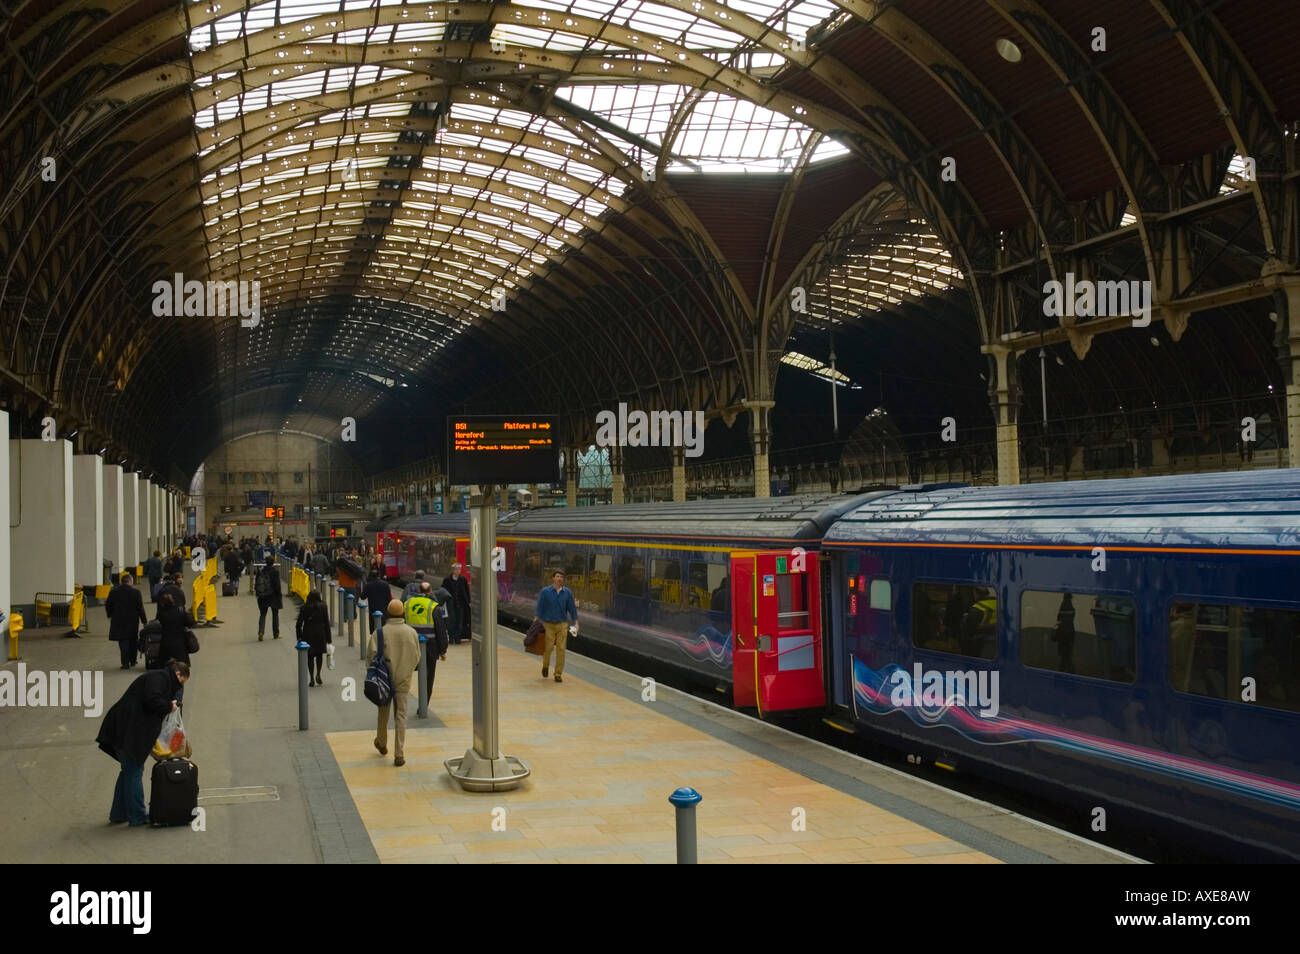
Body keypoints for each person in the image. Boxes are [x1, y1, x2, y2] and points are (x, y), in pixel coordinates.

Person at [97, 660, 190, 827]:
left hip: (124, 729)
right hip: (128, 731)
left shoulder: (159, 677)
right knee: (134, 770)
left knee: (128, 771)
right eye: (182, 682)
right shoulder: (160, 678)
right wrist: (169, 706)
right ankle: (137, 815)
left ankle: (119, 813)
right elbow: (152, 699)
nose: (179, 687)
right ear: (178, 674)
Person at [370, 599, 420, 767]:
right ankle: (399, 754)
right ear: (403, 614)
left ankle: (382, 742)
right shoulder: (411, 632)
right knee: (401, 716)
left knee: (383, 713)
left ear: (388, 614)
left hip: (384, 679)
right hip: (403, 679)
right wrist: (406, 670)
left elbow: (371, 656)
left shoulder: (380, 633)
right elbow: (417, 657)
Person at [534, 570, 578, 683]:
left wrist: (575, 622)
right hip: (548, 624)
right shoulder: (545, 592)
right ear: (553, 578)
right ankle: (545, 665)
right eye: (558, 576)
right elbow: (539, 606)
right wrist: (536, 620)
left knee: (561, 649)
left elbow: (572, 608)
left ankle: (558, 674)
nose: (560, 579)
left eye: (562, 577)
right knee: (548, 649)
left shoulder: (567, 593)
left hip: (562, 624)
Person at [405, 582, 447, 698]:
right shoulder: (433, 606)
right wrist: (443, 650)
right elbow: (440, 630)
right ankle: (423, 704)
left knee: (406, 673)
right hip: (430, 648)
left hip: (410, 645)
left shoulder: (407, 604)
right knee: (428, 677)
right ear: (430, 592)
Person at [155, 593, 197, 704]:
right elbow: (191, 623)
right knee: (180, 673)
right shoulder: (180, 611)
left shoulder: (161, 613)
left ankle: (167, 697)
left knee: (166, 672)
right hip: (180, 647)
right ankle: (177, 700)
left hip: (165, 646)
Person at [106, 572, 147, 669]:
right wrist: (144, 621)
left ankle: (125, 663)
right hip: (132, 620)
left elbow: (108, 605)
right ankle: (133, 661)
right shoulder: (136, 592)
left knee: (123, 641)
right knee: (133, 640)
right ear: (130, 581)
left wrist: (110, 614)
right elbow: (140, 608)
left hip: (118, 620)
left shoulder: (113, 592)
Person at [296, 591, 332, 686]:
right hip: (321, 633)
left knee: (310, 656)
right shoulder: (323, 607)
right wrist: (329, 638)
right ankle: (318, 674)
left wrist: (299, 637)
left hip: (308, 634)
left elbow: (298, 624)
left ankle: (311, 677)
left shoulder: (304, 608)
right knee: (319, 655)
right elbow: (326, 623)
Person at [441, 563, 471, 645]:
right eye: (456, 569)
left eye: (459, 569)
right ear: (453, 570)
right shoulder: (447, 580)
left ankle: (457, 638)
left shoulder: (463, 579)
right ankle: (451, 637)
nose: (458, 571)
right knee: (451, 621)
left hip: (461, 604)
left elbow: (466, 591)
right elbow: (443, 591)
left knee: (460, 622)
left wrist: (468, 601)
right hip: (451, 605)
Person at [256, 553, 283, 641]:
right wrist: (279, 595)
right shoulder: (275, 572)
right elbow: (277, 586)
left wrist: (258, 593)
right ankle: (276, 634)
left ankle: (261, 632)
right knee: (275, 615)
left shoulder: (261, 571)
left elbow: (256, 584)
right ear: (273, 563)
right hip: (273, 596)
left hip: (263, 596)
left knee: (263, 615)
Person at [363, 569, 392, 636]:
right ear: (379, 575)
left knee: (374, 628)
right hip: (384, 609)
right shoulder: (385, 584)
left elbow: (362, 596)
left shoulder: (368, 585)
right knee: (383, 627)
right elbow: (389, 598)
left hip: (373, 609)